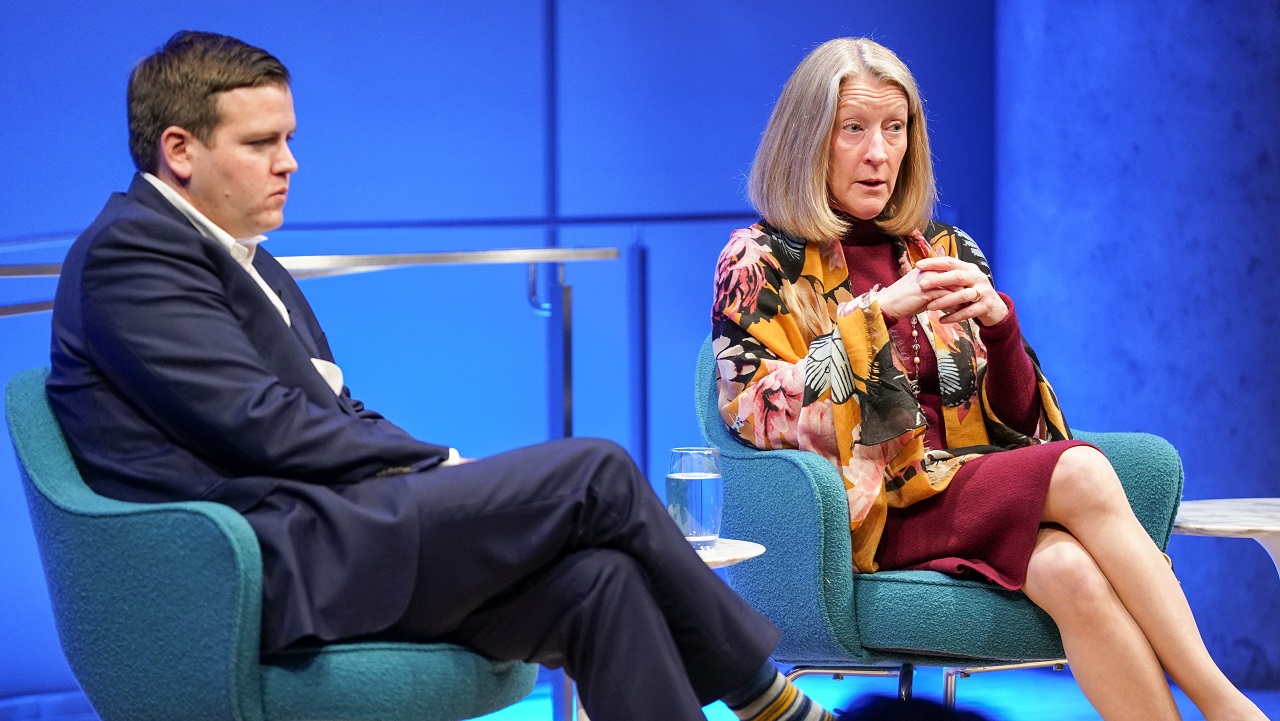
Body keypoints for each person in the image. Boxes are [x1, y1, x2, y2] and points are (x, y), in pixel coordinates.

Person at [46, 30, 839, 721]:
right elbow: (263, 423)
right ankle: (765, 698)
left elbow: (331, 405)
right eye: (260, 144)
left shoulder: (244, 253)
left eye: (289, 138)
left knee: (602, 581)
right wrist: (428, 465)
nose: (289, 163)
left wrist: (420, 470)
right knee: (594, 469)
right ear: (179, 149)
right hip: (254, 565)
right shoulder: (131, 253)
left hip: (335, 533)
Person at [711, 37, 1267, 721]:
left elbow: (1027, 428)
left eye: (895, 128)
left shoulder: (943, 248)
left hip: (969, 492)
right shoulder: (760, 259)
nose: (879, 153)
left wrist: (1000, 326)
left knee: (1069, 571)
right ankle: (1227, 704)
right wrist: (872, 317)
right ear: (808, 139)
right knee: (1085, 473)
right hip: (870, 510)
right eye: (853, 129)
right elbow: (753, 410)